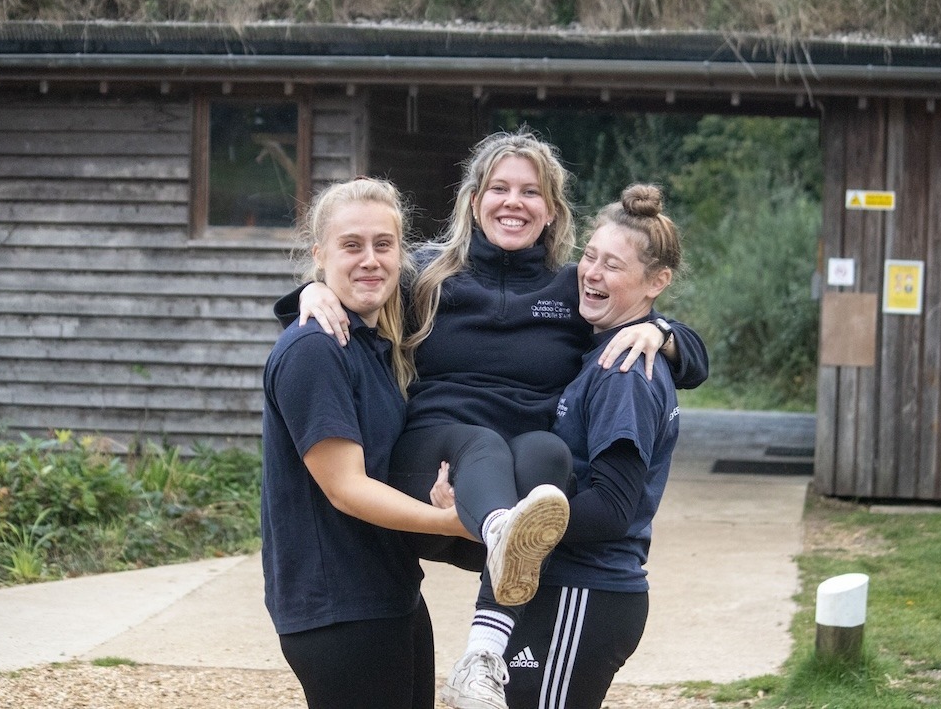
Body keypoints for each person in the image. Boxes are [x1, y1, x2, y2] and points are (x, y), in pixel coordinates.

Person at [277, 129, 709, 709]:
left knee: (548, 454)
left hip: (516, 473)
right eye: (499, 187)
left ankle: (485, 649)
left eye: (530, 191)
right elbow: (361, 276)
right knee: (481, 441)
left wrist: (662, 330)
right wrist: (309, 292)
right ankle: (502, 532)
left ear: (552, 209)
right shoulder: (428, 277)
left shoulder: (572, 287)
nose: (513, 201)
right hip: (440, 460)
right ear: (474, 199)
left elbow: (689, 356)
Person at [260, 177, 475, 709]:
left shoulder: (372, 345)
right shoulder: (316, 349)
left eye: (384, 244)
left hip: (387, 595)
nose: (370, 260)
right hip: (339, 609)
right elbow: (346, 488)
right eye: (351, 245)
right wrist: (451, 523)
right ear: (319, 255)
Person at [501, 182, 688, 708]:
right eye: (589, 256)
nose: (592, 273)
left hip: (587, 592)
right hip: (568, 589)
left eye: (613, 266)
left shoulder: (622, 372)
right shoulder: (602, 348)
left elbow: (611, 508)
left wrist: (512, 525)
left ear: (657, 282)